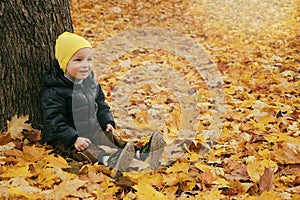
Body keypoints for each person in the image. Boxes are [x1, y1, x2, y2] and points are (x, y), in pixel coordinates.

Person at [41, 31, 165, 178]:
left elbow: (101, 105)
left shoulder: (91, 84)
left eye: (89, 60)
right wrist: (73, 138)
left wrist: (107, 121)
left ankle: (139, 153)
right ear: (63, 63)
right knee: (88, 150)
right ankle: (110, 161)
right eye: (78, 60)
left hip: (91, 129)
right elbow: (54, 121)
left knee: (109, 137)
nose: (85, 65)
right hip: (65, 139)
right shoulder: (55, 91)